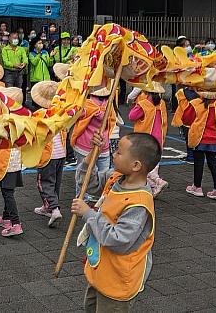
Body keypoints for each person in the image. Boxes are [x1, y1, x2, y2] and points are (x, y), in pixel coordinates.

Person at [71, 132, 160, 312]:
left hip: (118, 281)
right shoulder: (116, 178)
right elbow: (88, 182)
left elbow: (118, 240)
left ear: (136, 165)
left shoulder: (139, 203)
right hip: (102, 271)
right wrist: (92, 154)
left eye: (119, 152)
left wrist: (88, 213)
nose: (113, 154)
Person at [0, 87, 25, 237]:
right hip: (15, 161)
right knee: (7, 191)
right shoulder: (21, 119)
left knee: (8, 193)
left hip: (6, 161)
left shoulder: (4, 121)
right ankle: (6, 218)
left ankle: (15, 223)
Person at [71, 85, 115, 203]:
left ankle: (81, 198)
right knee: (104, 175)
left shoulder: (87, 104)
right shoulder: (109, 104)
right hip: (103, 144)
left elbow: (74, 116)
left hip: (85, 146)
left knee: (83, 173)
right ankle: (102, 199)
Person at [180, 89, 216, 201]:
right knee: (213, 163)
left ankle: (197, 187)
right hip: (214, 138)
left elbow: (186, 119)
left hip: (199, 137)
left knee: (198, 163)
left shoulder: (196, 103)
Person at [31, 81, 65, 227]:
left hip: (47, 155)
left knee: (43, 183)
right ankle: (49, 206)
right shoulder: (60, 112)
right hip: (61, 153)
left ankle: (54, 208)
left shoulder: (38, 115)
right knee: (55, 181)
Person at [127, 82, 169, 197]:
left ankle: (157, 181)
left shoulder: (143, 104)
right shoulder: (162, 104)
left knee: (143, 166)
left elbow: (131, 116)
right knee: (153, 165)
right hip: (158, 138)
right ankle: (152, 188)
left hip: (144, 139)